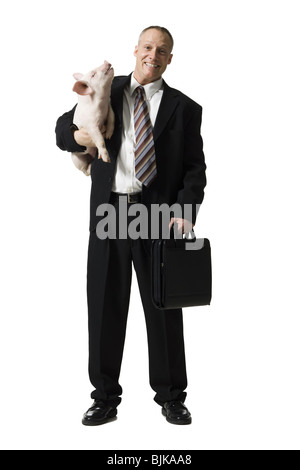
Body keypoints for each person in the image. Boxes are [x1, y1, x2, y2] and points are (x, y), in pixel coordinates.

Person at [55, 26, 207, 426]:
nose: (153, 55)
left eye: (162, 51)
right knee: (105, 306)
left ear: (169, 59)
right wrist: (78, 135)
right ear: (136, 50)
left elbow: (194, 169)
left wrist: (185, 210)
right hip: (110, 212)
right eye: (147, 47)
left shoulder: (185, 108)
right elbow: (61, 130)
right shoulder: (107, 89)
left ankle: (172, 396)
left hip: (157, 216)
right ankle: (104, 398)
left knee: (164, 308)